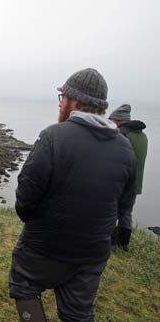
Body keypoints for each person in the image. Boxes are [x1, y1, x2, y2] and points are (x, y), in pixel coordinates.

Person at [8, 68, 137, 322]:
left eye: (62, 99)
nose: (61, 105)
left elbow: (24, 201)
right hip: (93, 252)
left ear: (74, 103)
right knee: (78, 313)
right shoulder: (125, 148)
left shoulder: (53, 137)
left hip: (45, 246)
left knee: (23, 283)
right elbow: (124, 204)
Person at [109, 104, 148, 250]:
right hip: (136, 183)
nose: (110, 122)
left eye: (111, 119)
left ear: (118, 120)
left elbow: (114, 159)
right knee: (126, 212)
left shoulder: (120, 134)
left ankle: (111, 243)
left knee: (112, 210)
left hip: (120, 181)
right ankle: (124, 244)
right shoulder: (142, 135)